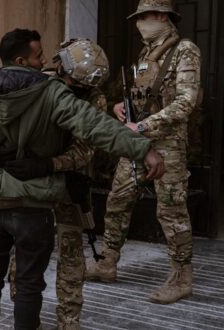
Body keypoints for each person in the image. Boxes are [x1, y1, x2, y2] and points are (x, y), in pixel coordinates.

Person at [0, 28, 165, 330]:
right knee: (30, 283)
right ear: (22, 59)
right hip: (33, 207)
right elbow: (95, 127)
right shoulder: (52, 92)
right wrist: (143, 149)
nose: (44, 61)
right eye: (38, 56)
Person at [0, 39, 111, 330]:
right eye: (71, 79)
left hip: (67, 184)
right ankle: (24, 319)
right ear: (60, 64)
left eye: (80, 84)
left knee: (72, 257)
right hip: (29, 186)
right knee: (20, 260)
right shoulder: (36, 82)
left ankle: (68, 321)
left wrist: (50, 164)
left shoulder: (93, 98)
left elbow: (85, 149)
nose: (73, 86)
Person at [85, 0, 201, 305]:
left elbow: (187, 101)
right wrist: (121, 108)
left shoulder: (184, 50)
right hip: (137, 142)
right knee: (117, 201)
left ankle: (181, 279)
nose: (139, 24)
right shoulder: (146, 53)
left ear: (162, 16)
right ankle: (107, 263)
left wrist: (144, 124)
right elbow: (144, 97)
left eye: (143, 17)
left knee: (171, 212)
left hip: (168, 145)